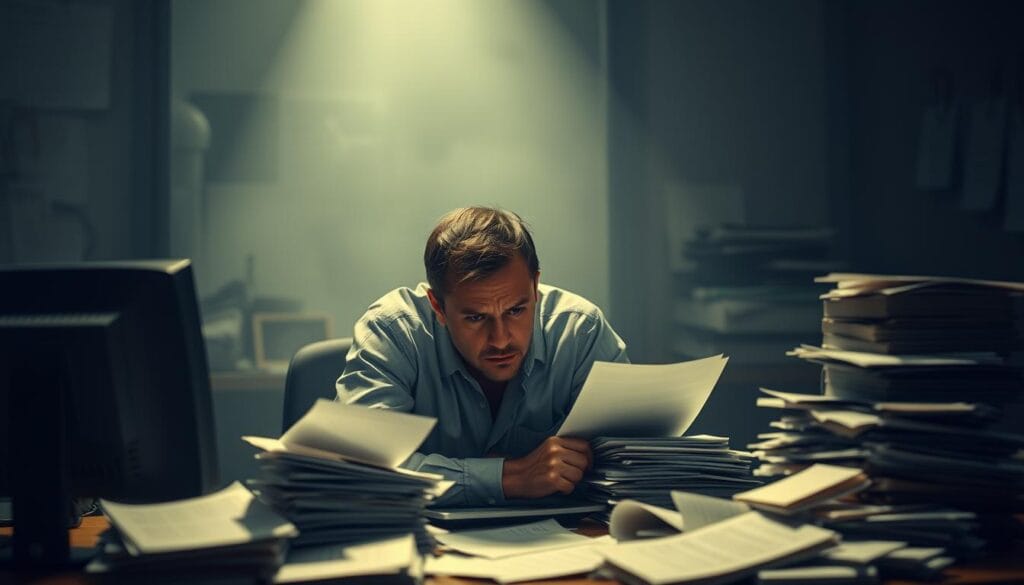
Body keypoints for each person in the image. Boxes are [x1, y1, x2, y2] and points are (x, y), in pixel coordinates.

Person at [336, 207, 628, 506]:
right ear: (437, 306)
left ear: (535, 286)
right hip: (426, 543)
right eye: (475, 318)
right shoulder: (393, 332)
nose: (500, 340)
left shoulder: (580, 330)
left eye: (516, 310)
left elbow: (637, 457)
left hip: (567, 540)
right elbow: (364, 468)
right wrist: (510, 477)